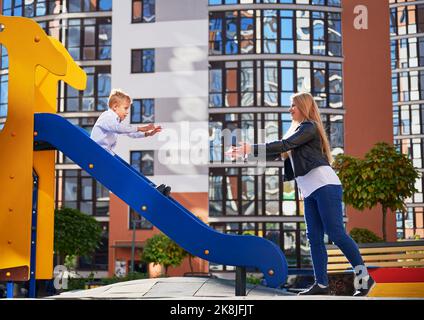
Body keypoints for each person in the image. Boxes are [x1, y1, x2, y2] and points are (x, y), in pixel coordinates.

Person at [227, 92, 375, 297]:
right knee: (314, 238)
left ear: (303, 107)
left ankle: (364, 278)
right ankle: (321, 285)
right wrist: (246, 152)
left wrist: (250, 147)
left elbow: (284, 145)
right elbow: (279, 150)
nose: (290, 110)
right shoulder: (295, 131)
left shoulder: (309, 128)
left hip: (325, 185)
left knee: (335, 234)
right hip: (309, 190)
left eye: (293, 106)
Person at [90, 88, 171, 196]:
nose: (127, 112)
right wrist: (141, 128)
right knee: (125, 174)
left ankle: (152, 189)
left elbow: (130, 133)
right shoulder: (107, 117)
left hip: (104, 154)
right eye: (125, 108)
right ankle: (148, 192)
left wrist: (148, 133)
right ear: (115, 107)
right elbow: (118, 128)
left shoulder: (115, 121)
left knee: (129, 171)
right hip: (98, 155)